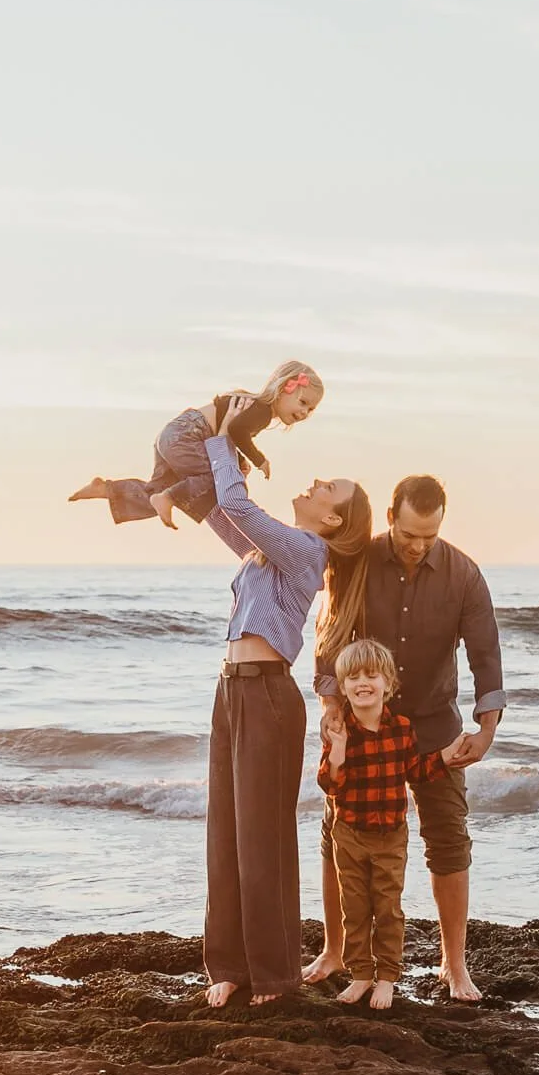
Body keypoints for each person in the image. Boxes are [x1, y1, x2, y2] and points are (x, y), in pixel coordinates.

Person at [305, 474, 504, 1003]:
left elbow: (486, 655)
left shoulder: (464, 575)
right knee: (338, 835)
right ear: (391, 516)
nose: (419, 546)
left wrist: (486, 729)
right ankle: (334, 950)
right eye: (410, 534)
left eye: (430, 536)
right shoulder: (355, 561)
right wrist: (330, 704)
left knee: (448, 835)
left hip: (434, 724)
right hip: (363, 721)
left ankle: (453, 965)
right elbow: (330, 635)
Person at [193, 429, 371, 1008]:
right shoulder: (268, 548)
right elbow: (222, 510)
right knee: (225, 834)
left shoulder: (309, 551)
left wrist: (223, 443)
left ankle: (273, 974)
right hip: (230, 691)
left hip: (269, 694)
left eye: (331, 488)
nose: (318, 482)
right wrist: (209, 440)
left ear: (335, 521)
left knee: (262, 837)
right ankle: (227, 965)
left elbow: (239, 505)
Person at [315, 638, 455, 1012]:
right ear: (343, 688)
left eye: (372, 675)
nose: (363, 682)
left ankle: (388, 977)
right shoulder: (339, 730)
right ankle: (360, 973)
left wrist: (447, 756)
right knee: (355, 908)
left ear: (387, 684)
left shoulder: (402, 729)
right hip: (349, 833)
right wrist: (339, 751)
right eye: (354, 677)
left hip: (391, 835)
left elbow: (415, 772)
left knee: (388, 908)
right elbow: (329, 785)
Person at [69, 362, 324, 530]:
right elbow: (235, 430)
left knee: (162, 488)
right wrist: (258, 460)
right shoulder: (262, 412)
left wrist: (239, 460)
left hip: (173, 433)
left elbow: (231, 432)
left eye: (311, 410)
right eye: (303, 403)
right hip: (187, 436)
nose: (304, 412)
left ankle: (107, 489)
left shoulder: (252, 406)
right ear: (283, 390)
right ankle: (167, 498)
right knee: (212, 478)